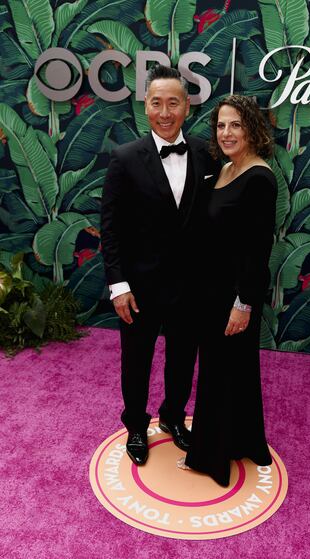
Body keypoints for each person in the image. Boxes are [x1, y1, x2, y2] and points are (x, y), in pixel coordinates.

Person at [101, 64, 221, 466]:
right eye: (157, 103)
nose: (165, 112)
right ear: (145, 107)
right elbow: (111, 226)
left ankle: (173, 416)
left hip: (191, 286)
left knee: (184, 358)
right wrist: (118, 285)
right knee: (136, 360)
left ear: (187, 106)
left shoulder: (208, 153)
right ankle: (136, 425)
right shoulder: (124, 158)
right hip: (140, 286)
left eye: (173, 102)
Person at [177, 95, 277, 487]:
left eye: (235, 124)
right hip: (209, 293)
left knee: (221, 374)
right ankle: (244, 440)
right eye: (221, 125)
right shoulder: (224, 171)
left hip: (233, 298)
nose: (227, 132)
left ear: (252, 128)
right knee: (231, 372)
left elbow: (257, 250)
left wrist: (243, 302)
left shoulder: (258, 178)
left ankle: (212, 458)